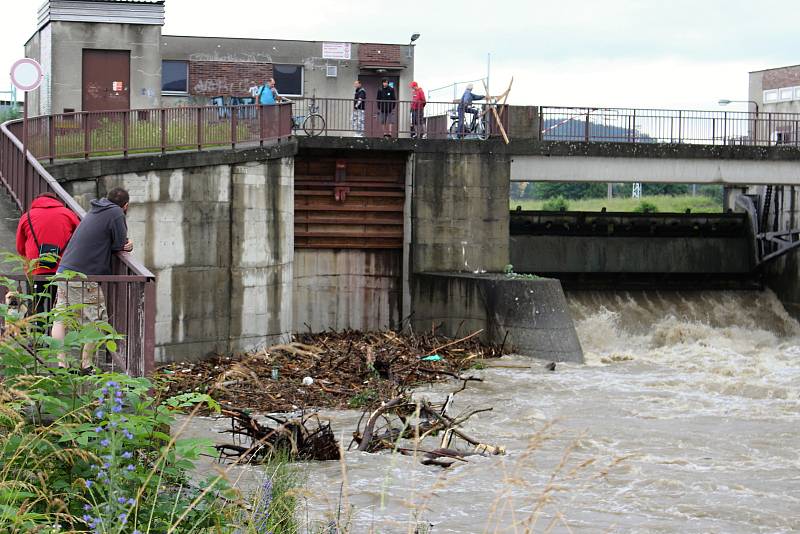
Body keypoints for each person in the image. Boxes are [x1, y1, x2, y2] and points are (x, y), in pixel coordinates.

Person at [52, 187, 133, 370]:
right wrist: (129, 245)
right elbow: (120, 243)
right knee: (97, 318)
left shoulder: (96, 209)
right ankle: (86, 364)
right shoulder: (116, 213)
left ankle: (61, 365)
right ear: (125, 205)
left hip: (64, 270)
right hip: (83, 274)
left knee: (61, 317)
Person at [15, 192, 80, 315]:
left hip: (35, 269)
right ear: (56, 201)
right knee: (59, 306)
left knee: (35, 304)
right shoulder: (68, 214)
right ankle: (56, 333)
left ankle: (37, 332)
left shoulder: (27, 216)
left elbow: (20, 247)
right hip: (62, 269)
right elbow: (80, 238)